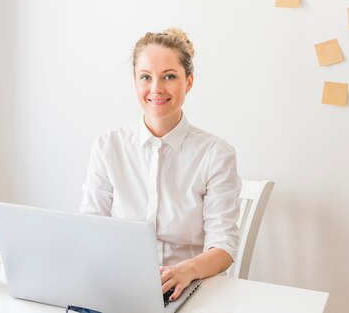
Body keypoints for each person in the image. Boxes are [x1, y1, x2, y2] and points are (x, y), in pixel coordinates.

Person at [80, 28, 241, 302]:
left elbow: (223, 246)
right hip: (120, 286)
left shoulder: (216, 154)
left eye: (169, 76)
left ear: (188, 82)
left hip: (192, 289)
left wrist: (185, 270)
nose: (156, 88)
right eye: (146, 77)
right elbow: (89, 226)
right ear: (135, 81)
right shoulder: (108, 146)